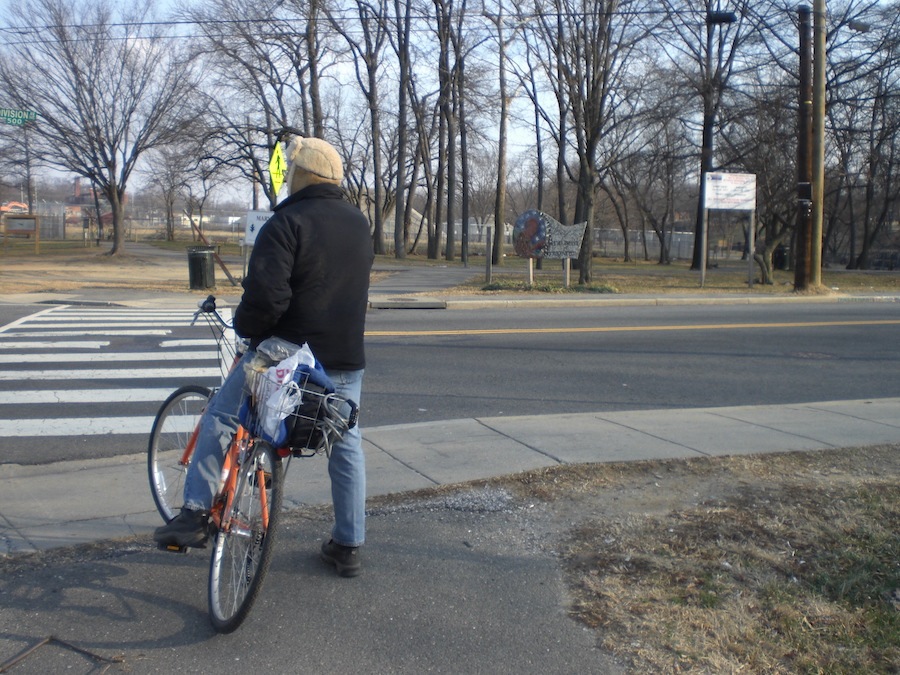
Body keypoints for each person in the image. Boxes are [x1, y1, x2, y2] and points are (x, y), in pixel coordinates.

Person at [154, 136, 374, 578]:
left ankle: (195, 513)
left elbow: (267, 299)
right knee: (345, 444)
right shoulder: (359, 223)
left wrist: (246, 327)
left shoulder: (287, 222)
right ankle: (348, 545)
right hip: (344, 358)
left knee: (221, 416)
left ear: (301, 176)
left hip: (286, 353)